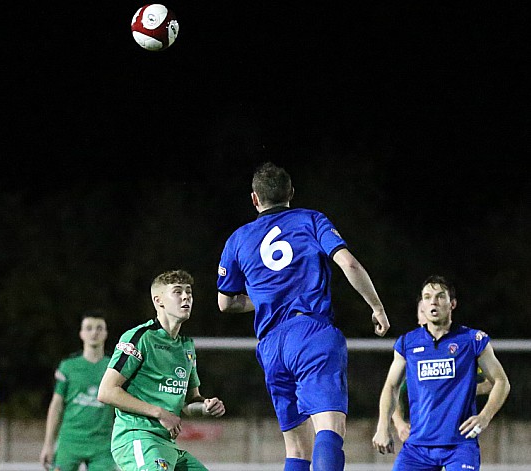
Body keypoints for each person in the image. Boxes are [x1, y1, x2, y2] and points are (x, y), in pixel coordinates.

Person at [216, 162, 390, 471]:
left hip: (270, 346)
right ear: (291, 194)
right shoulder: (311, 220)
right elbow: (348, 264)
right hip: (311, 335)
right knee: (329, 430)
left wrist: (267, 297)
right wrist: (376, 306)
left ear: (255, 199)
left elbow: (225, 304)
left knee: (296, 448)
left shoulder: (238, 239)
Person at [372, 275, 510, 470]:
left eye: (440, 296)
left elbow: (501, 382)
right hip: (418, 447)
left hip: (460, 445)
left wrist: (485, 416)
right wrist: (383, 426)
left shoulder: (472, 340)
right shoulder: (407, 343)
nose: (433, 302)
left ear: (452, 304)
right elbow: (391, 386)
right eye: (427, 297)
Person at [97, 269, 226, 471]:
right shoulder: (140, 338)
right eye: (177, 291)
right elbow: (106, 391)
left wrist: (206, 406)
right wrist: (159, 413)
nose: (186, 297)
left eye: (189, 292)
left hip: (167, 444)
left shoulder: (186, 347)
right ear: (159, 301)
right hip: (137, 437)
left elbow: (188, 402)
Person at [390, 300, 493, 443]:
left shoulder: (460, 349)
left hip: (458, 436)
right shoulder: (412, 353)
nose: (429, 313)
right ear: (419, 318)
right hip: (423, 439)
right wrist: (399, 424)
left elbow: (492, 383)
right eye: (422, 311)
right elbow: (392, 390)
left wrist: (459, 390)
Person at [39, 310, 117, 471]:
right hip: (70, 442)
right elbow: (56, 405)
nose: (94, 332)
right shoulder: (68, 366)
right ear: (81, 334)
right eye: (89, 328)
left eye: (99, 328)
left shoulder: (114, 368)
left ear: (106, 333)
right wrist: (48, 444)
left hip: (102, 445)